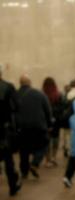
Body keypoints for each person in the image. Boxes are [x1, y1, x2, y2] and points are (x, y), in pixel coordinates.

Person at [16, 75, 52, 179]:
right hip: (39, 125)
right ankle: (35, 163)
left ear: (20, 83)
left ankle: (24, 171)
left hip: (21, 126)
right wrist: (49, 124)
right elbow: (47, 110)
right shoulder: (39, 94)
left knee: (23, 149)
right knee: (44, 143)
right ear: (30, 82)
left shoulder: (16, 94)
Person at [0, 65, 21, 196]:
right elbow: (16, 106)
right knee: (8, 159)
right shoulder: (8, 86)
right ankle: (12, 185)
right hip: (4, 127)